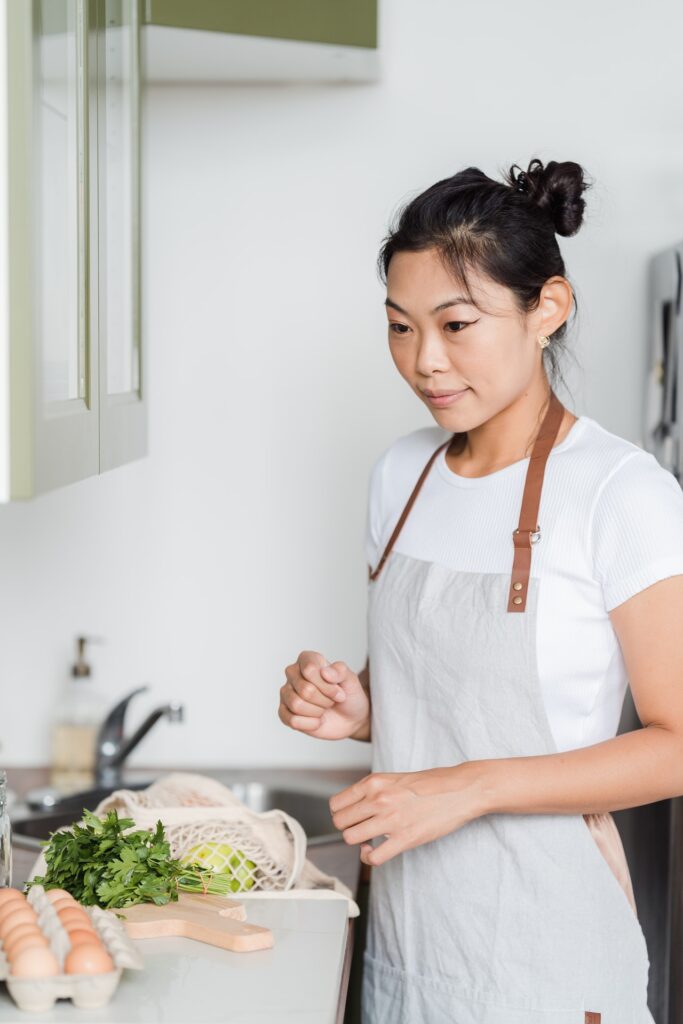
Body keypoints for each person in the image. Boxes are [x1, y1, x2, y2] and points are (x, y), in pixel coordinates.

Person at [278, 158, 683, 1023]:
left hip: (548, 957)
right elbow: (438, 700)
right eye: (399, 326)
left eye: (456, 323)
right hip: (412, 944)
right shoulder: (401, 474)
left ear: (547, 309)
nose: (424, 361)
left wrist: (469, 786)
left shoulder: (621, 495)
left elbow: (677, 743)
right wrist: (357, 708)